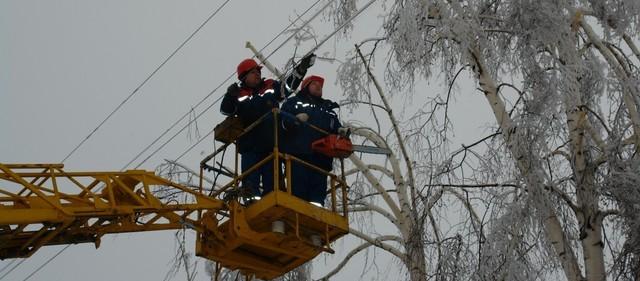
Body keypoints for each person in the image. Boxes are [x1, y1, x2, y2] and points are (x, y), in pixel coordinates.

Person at [220, 54, 315, 200]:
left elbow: (287, 87)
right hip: (250, 147)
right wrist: (229, 95)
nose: (258, 75)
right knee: (250, 186)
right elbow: (225, 110)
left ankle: (274, 204)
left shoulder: (270, 86)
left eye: (258, 72)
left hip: (272, 145)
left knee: (273, 184)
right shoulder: (239, 94)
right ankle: (251, 203)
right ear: (244, 77)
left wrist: (300, 70)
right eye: (253, 72)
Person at [280, 75, 348, 206]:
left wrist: (341, 132)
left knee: (317, 198)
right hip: (298, 156)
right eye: (314, 84)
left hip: (321, 159)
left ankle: (315, 215)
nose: (318, 87)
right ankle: (298, 212)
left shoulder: (327, 110)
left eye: (320, 85)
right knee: (298, 193)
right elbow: (281, 122)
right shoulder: (294, 103)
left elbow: (335, 126)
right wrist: (294, 121)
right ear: (306, 87)